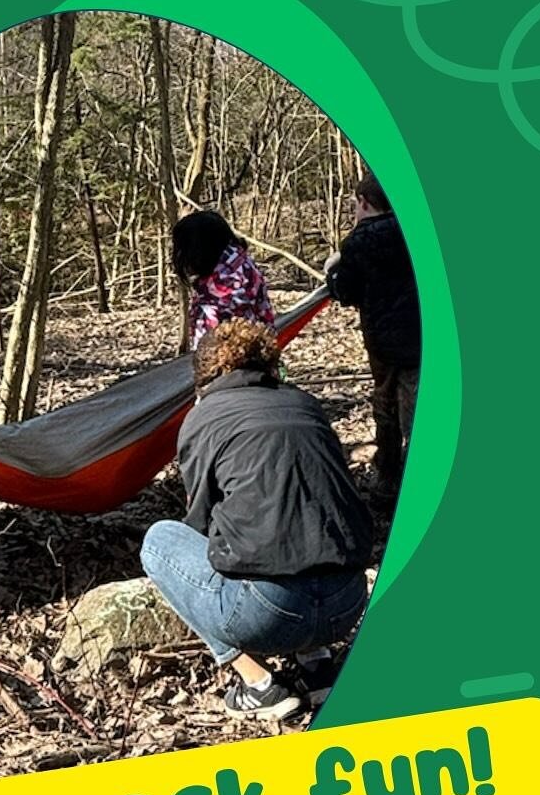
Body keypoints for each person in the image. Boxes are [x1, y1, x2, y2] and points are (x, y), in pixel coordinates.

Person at [140, 319, 373, 721]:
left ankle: (258, 686)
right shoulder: (305, 404)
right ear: (269, 364)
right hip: (347, 602)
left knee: (159, 540)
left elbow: (199, 521)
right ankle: (318, 667)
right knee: (301, 528)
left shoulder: (204, 417)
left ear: (206, 375)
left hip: (268, 613)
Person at [325, 172, 421, 507]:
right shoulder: (418, 232)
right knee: (415, 408)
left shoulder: (358, 242)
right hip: (421, 339)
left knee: (386, 408)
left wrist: (333, 272)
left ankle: (388, 482)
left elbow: (346, 291)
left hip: (382, 344)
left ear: (364, 203)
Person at [172, 210, 274, 347]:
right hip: (260, 354)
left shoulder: (218, 291)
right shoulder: (242, 263)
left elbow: (209, 352)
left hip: (231, 362)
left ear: (198, 249)